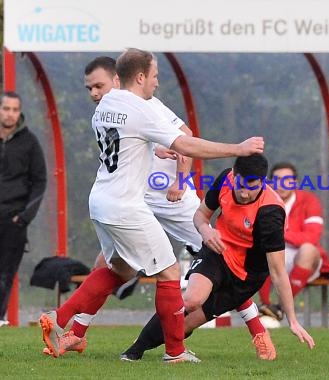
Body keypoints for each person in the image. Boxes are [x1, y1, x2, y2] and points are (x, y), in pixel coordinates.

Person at [39, 48, 264, 363]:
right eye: (155, 76)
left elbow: (128, 140)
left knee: (120, 268)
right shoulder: (140, 109)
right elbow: (185, 143)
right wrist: (237, 149)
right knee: (170, 272)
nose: (157, 83)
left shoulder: (106, 106)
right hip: (127, 205)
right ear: (141, 76)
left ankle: (59, 316)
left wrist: (154, 150)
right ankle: (175, 353)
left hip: (101, 199)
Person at [120, 154, 315, 362]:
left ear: (263, 182)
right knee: (190, 300)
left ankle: (174, 349)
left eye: (253, 187)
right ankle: (135, 351)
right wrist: (206, 231)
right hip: (218, 251)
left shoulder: (271, 212)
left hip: (246, 277)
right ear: (233, 173)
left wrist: (292, 320)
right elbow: (200, 216)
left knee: (185, 324)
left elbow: (277, 272)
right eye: (241, 185)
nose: (245, 193)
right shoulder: (225, 179)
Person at [258, 162, 329, 321]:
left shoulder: (309, 200)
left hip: (303, 260)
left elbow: (312, 237)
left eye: (287, 180)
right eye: (277, 179)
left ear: (295, 183)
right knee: (262, 249)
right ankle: (266, 306)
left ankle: (280, 307)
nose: (282, 184)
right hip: (274, 256)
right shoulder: (262, 200)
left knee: (308, 249)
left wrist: (279, 233)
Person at [0, 92, 47, 326]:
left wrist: (24, 216)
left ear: (19, 112)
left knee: (5, 273)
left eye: (14, 109)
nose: (10, 114)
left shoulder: (29, 142)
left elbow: (40, 181)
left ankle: (0, 318)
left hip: (13, 219)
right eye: (5, 108)